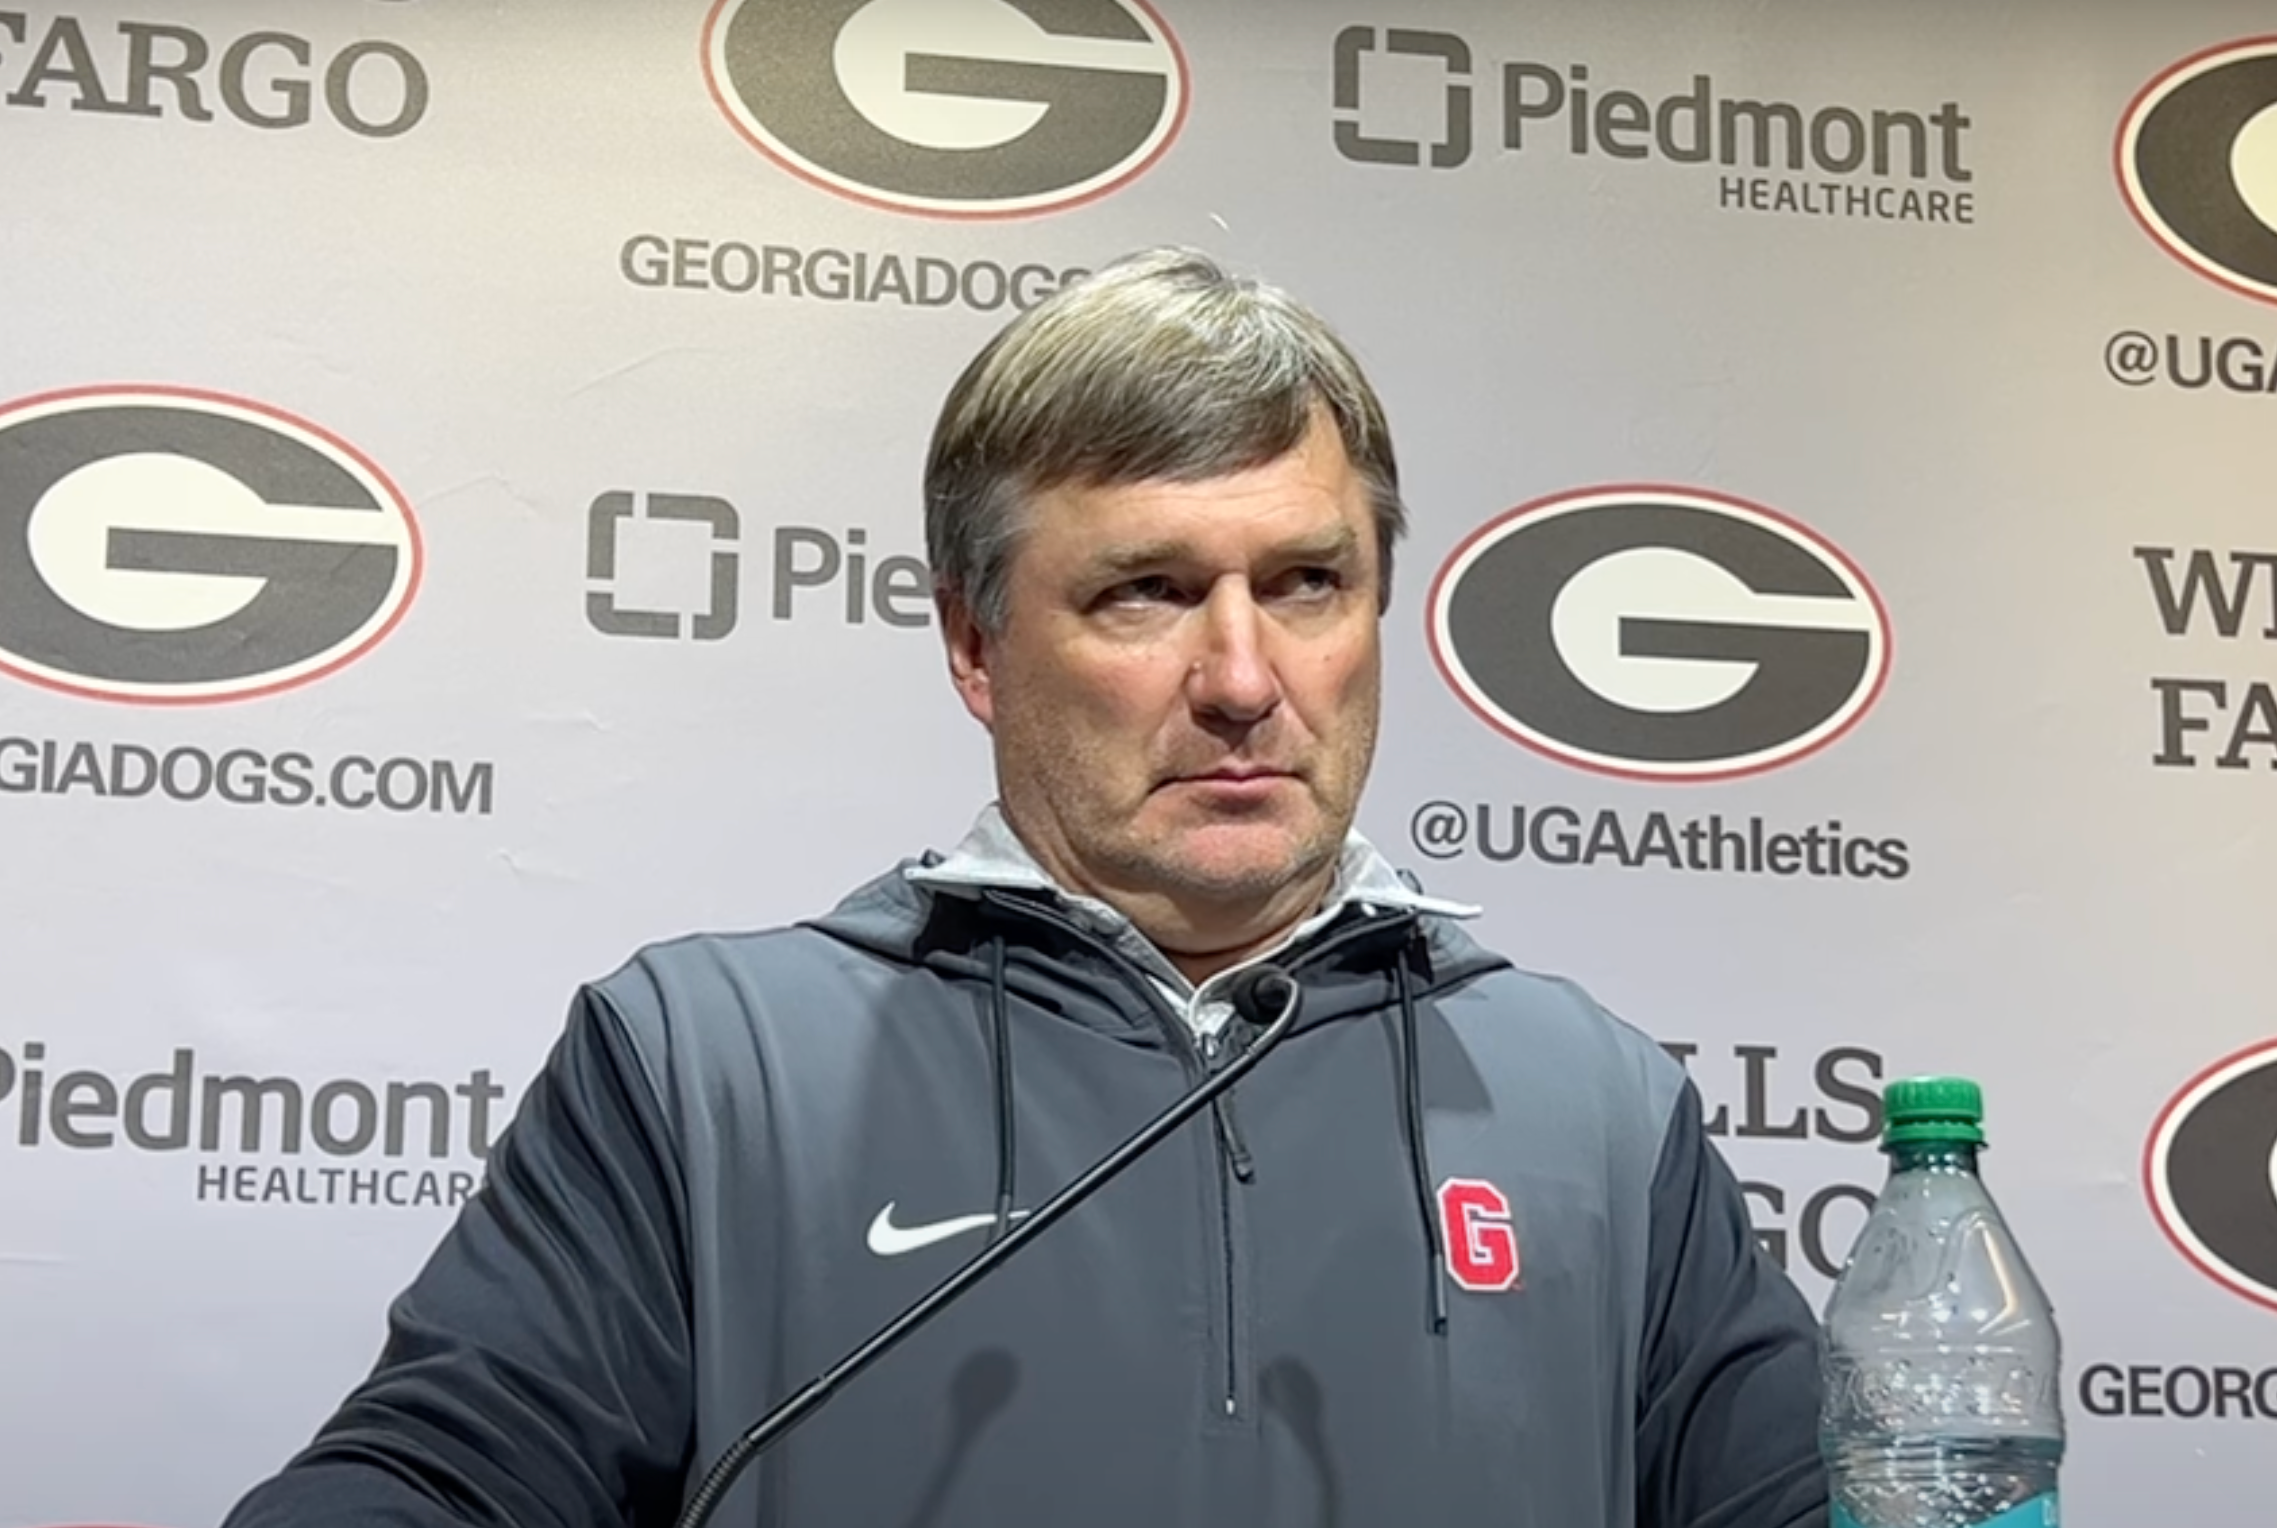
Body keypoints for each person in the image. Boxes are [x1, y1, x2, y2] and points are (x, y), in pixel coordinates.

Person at [224, 248, 1826, 1528]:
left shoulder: (1596, 1102)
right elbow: (448, 1476)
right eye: (1144, 591)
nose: (1244, 676)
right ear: (976, 644)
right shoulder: (706, 1059)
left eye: (1305, 583)